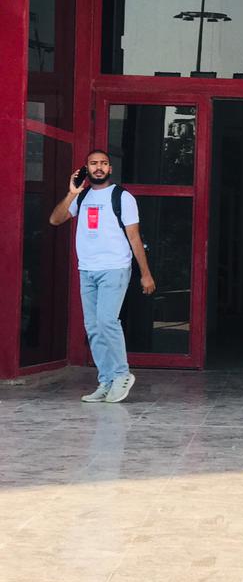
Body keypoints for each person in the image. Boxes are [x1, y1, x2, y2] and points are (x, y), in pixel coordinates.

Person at [49, 149, 155, 403]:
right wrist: (72, 193)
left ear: (110, 168)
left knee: (107, 320)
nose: (99, 167)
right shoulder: (82, 196)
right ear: (86, 168)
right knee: (93, 328)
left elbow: (134, 237)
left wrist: (145, 274)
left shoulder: (122, 197)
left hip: (115, 267)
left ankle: (122, 375)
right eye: (93, 163)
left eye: (104, 163)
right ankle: (106, 381)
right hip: (87, 269)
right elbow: (55, 220)